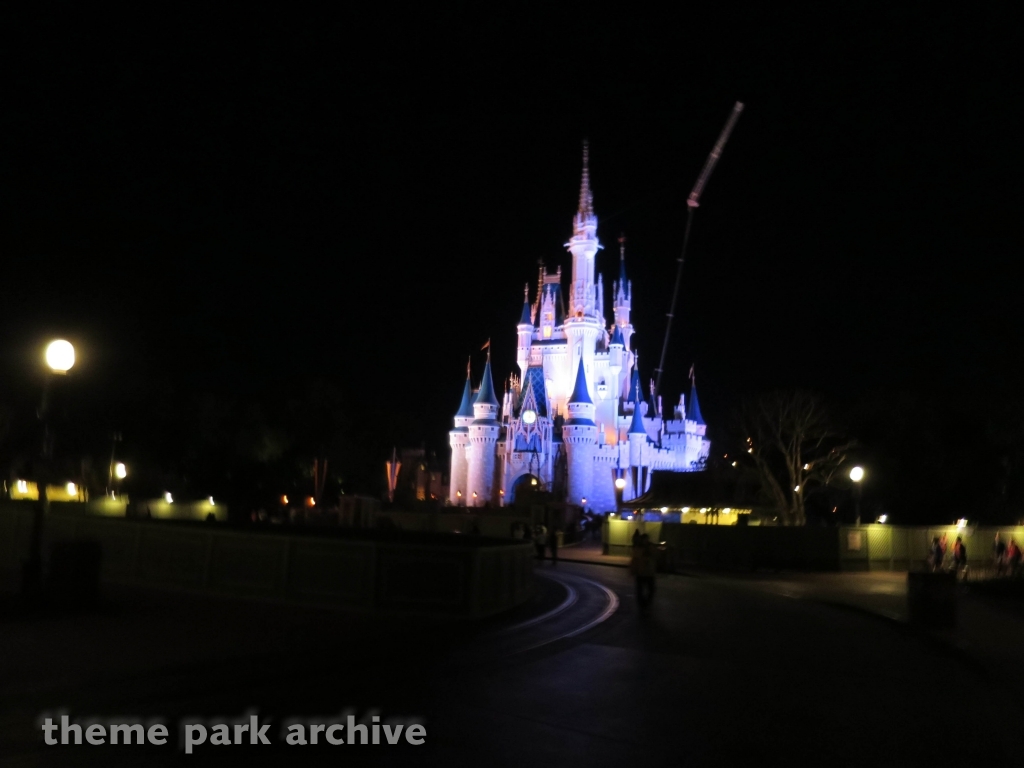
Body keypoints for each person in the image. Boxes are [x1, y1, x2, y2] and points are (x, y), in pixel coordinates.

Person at [630, 533, 657, 608]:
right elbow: (635, 560)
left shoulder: (650, 547)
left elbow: (655, 556)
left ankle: (645, 603)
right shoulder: (638, 548)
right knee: (640, 590)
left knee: (650, 590)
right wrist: (633, 570)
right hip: (641, 572)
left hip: (648, 572)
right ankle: (642, 603)